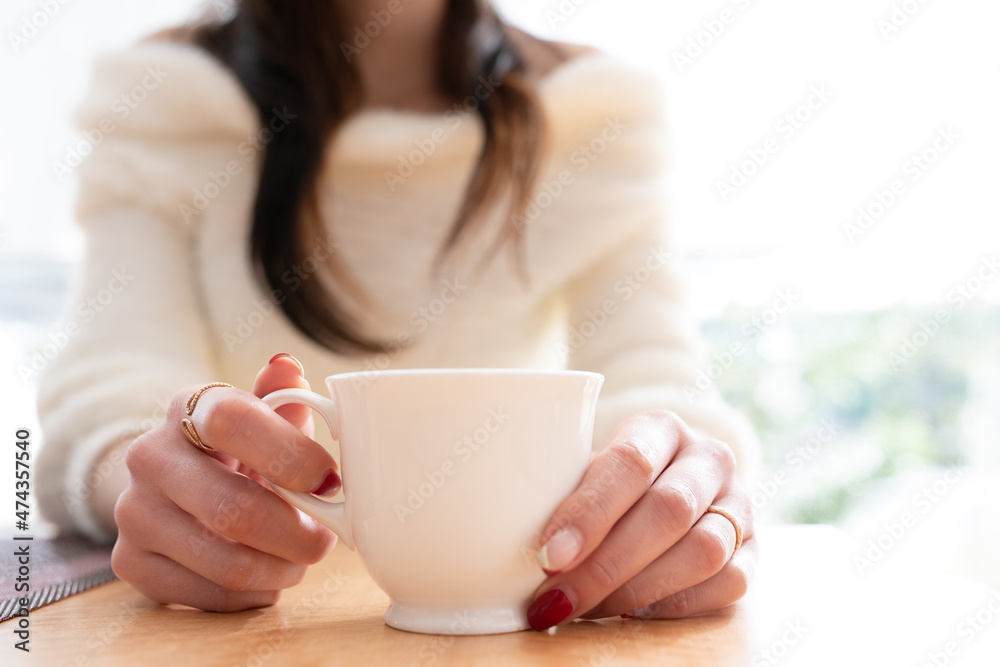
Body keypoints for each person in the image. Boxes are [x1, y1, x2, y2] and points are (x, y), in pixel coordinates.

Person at [37, 0, 759, 631]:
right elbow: (107, 392)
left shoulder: (591, 115)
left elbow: (654, 387)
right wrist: (143, 477)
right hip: (250, 626)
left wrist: (676, 485)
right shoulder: (168, 98)